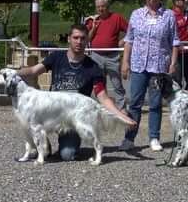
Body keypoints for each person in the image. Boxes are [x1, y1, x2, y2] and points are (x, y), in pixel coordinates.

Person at [17, 24, 136, 161]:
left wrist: (121, 116)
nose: (79, 41)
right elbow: (33, 71)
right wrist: (13, 73)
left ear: (87, 41)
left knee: (67, 155)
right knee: (29, 121)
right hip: (50, 112)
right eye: (75, 37)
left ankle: (69, 144)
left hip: (72, 116)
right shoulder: (56, 57)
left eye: (83, 38)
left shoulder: (93, 67)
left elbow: (102, 97)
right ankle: (44, 146)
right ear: (69, 39)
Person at [119, 0, 180, 152]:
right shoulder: (136, 14)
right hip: (138, 65)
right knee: (135, 103)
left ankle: (154, 137)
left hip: (159, 66)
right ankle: (129, 138)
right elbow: (129, 40)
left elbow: (175, 41)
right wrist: (125, 62)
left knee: (155, 104)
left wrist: (173, 62)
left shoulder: (169, 16)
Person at [84, 0, 129, 110]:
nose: (100, 9)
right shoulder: (93, 20)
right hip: (96, 55)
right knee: (99, 83)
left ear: (107, 6)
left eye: (103, 6)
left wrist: (123, 41)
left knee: (116, 83)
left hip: (112, 56)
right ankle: (103, 106)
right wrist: (93, 27)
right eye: (98, 7)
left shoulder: (116, 18)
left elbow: (131, 31)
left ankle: (121, 107)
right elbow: (87, 39)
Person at [171, 0, 188, 90]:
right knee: (177, 82)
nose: (186, 0)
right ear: (176, 2)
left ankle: (187, 101)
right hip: (176, 54)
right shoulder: (171, 15)